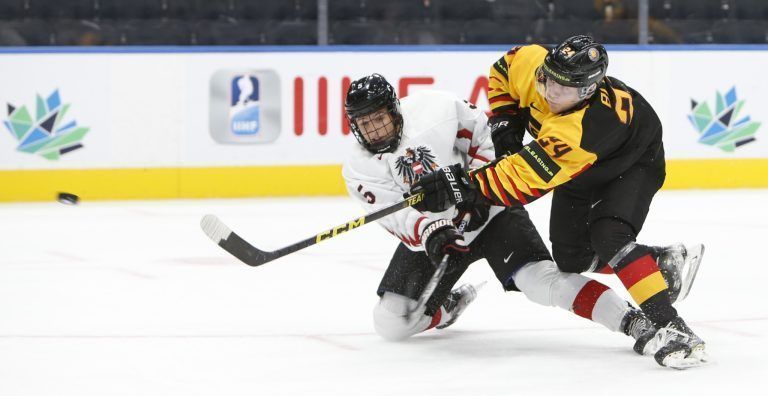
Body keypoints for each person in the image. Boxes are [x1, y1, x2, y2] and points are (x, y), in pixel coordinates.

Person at [409, 36, 707, 369]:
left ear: (587, 90)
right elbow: (503, 71)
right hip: (579, 166)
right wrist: (507, 125)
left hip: (631, 161)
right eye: (548, 79)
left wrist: (459, 185)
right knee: (571, 257)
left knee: (609, 237)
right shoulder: (536, 68)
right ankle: (658, 262)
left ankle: (673, 326)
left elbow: (518, 181)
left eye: (563, 88)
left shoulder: (581, 131)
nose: (550, 91)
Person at [342, 73, 657, 353]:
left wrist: (479, 188)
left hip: (492, 212)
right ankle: (448, 306)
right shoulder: (359, 169)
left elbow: (484, 137)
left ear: (394, 109)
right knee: (391, 323)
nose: (374, 130)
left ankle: (630, 320)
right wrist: (433, 231)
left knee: (540, 283)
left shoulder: (437, 108)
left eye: (379, 118)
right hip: (439, 237)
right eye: (365, 124)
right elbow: (395, 216)